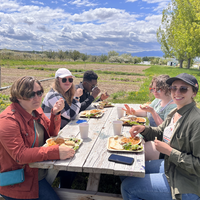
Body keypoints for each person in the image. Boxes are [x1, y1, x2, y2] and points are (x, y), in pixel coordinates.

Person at [121, 73, 200, 200]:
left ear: (194, 93)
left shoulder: (196, 121)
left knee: (128, 186)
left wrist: (169, 151)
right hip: (172, 167)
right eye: (174, 88)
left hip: (187, 183)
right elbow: (161, 131)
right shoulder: (176, 111)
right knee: (130, 170)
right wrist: (144, 129)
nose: (177, 92)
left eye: (183, 88)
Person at [0, 76, 75, 200]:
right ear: (18, 96)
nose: (37, 97)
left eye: (39, 93)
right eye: (30, 94)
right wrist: (55, 152)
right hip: (19, 181)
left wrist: (55, 113)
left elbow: (51, 135)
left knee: (70, 172)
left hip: (37, 170)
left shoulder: (36, 110)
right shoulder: (8, 120)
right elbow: (20, 155)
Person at [123, 75, 177, 160]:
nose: (155, 91)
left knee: (135, 150)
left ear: (167, 89)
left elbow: (166, 129)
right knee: (126, 139)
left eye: (158, 89)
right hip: (150, 133)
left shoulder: (172, 106)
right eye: (153, 89)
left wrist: (153, 112)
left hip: (161, 140)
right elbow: (146, 111)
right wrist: (133, 112)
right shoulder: (158, 100)